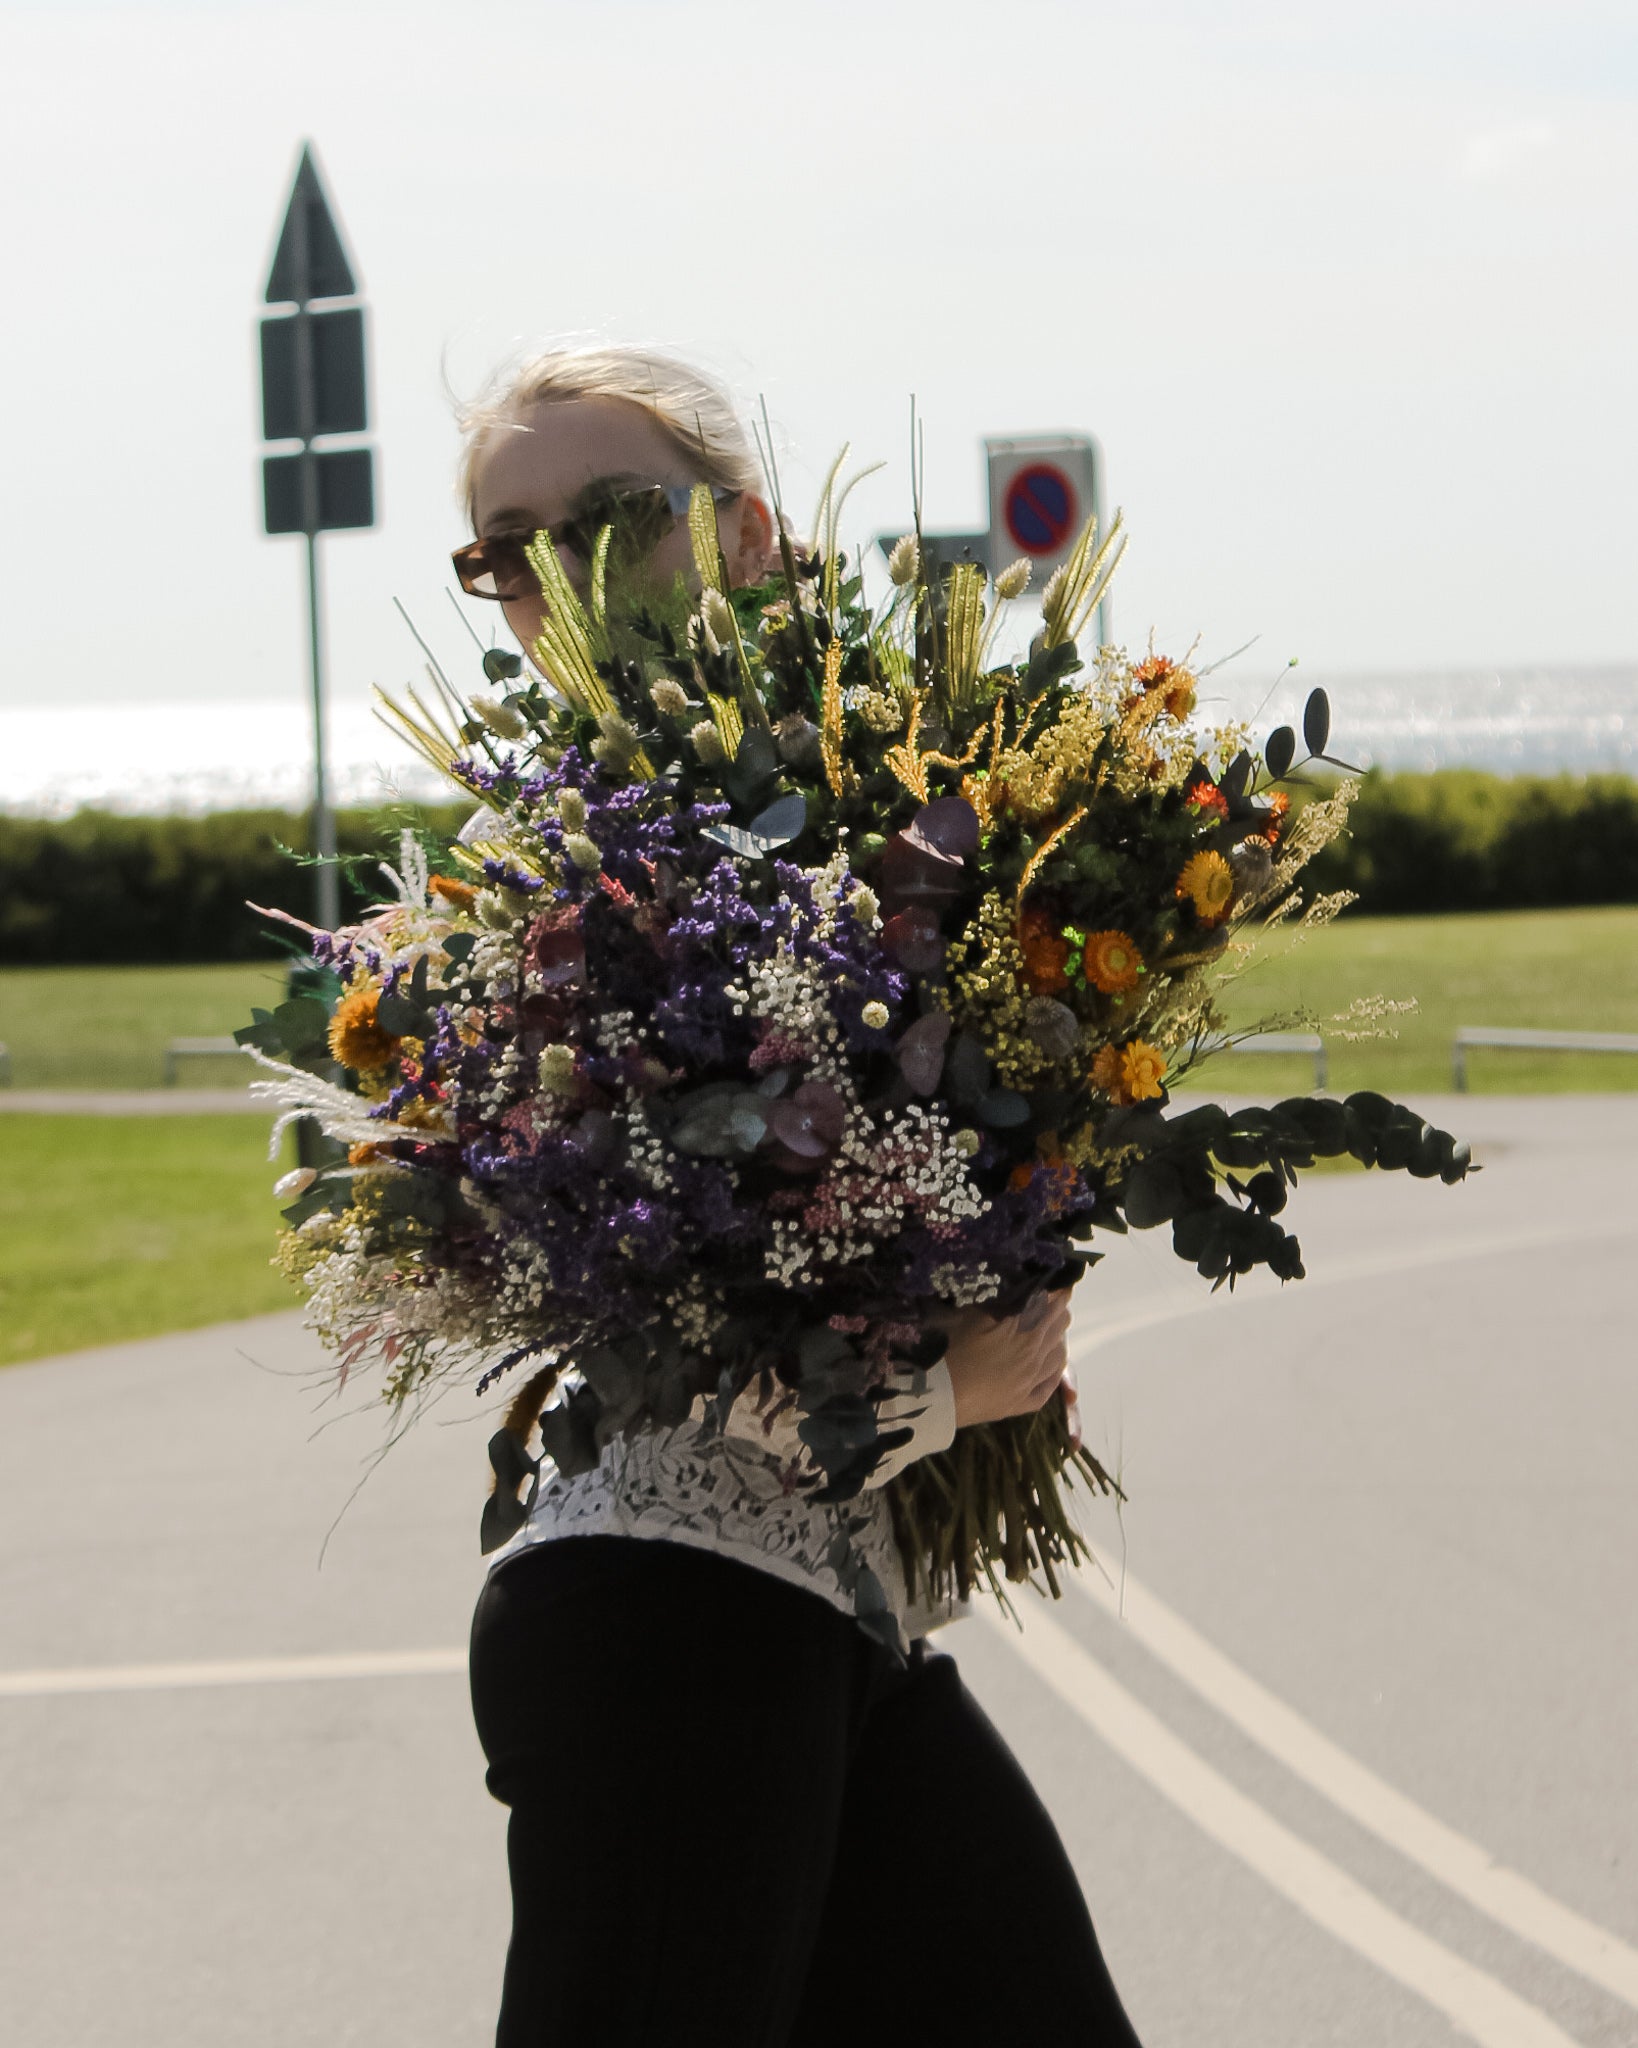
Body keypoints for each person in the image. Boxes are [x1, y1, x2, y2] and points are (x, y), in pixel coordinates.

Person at [457, 344, 1144, 2047]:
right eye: (508, 542)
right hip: (658, 1626)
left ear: (751, 534)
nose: (563, 571)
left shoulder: (857, 805)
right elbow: (657, 1350)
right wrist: (944, 1392)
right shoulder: (552, 900)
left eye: (618, 516)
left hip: (832, 1615)